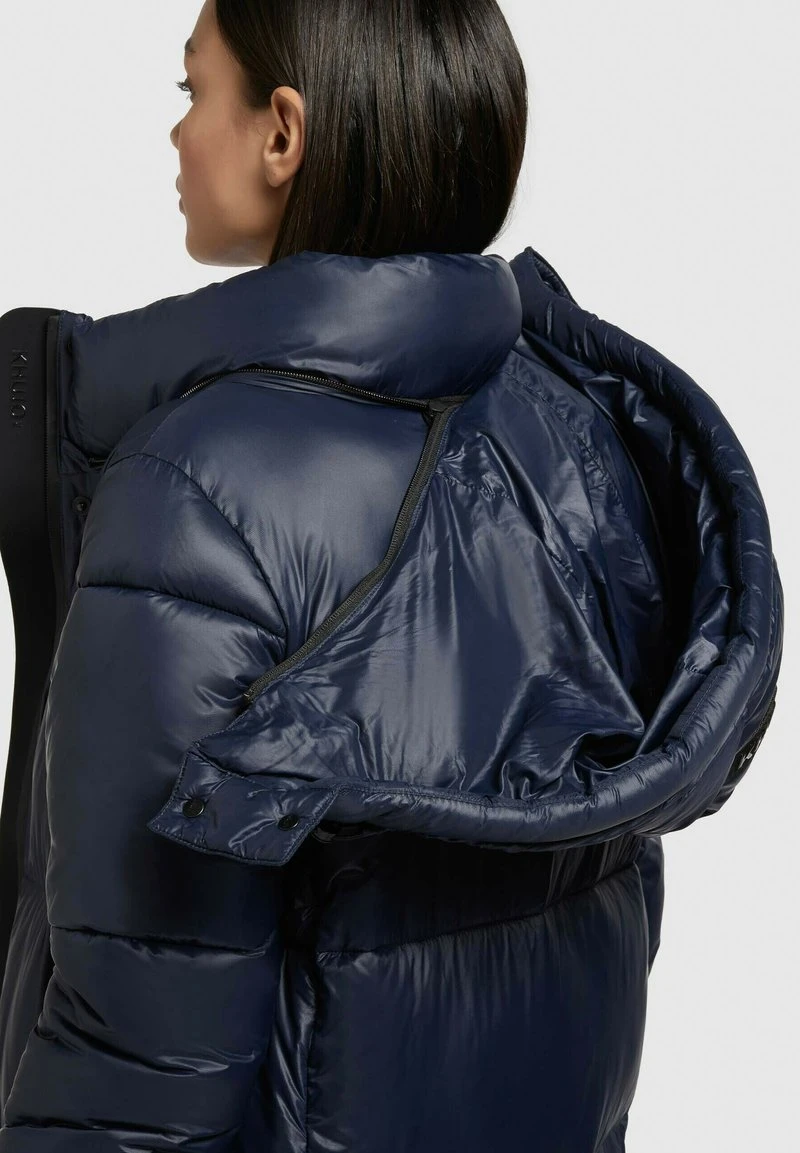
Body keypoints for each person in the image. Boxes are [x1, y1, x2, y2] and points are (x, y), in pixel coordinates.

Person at [0, 0, 783, 1149]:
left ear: (281, 133)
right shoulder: (574, 430)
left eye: (192, 91)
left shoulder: (199, 483)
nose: (176, 132)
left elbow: (147, 1050)